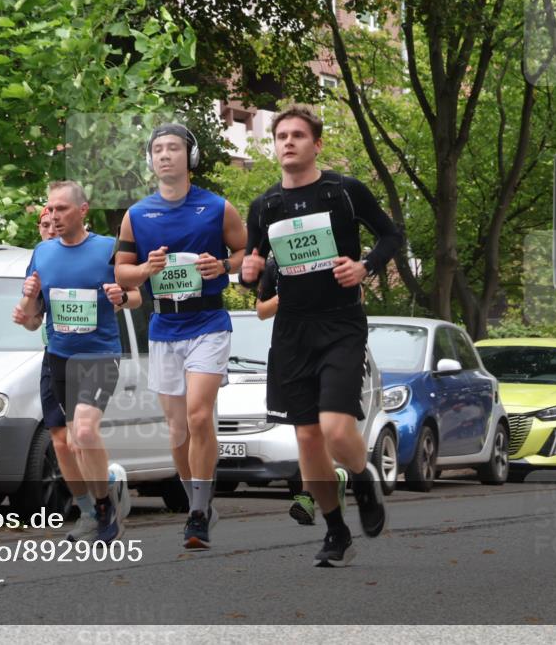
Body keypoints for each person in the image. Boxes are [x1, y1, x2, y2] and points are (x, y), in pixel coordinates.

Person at [240, 104, 402, 567]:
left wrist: (364, 266)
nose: (287, 142)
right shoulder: (265, 205)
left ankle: (363, 475)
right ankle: (336, 533)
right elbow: (254, 269)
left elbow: (392, 236)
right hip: (291, 331)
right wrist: (249, 272)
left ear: (317, 144)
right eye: (281, 136)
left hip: (341, 324)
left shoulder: (343, 191)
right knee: (307, 439)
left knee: (334, 428)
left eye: (297, 135)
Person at [114, 123, 247, 549]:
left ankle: (195, 515)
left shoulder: (217, 207)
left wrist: (222, 267)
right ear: (149, 160)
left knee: (198, 414)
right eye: (158, 149)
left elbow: (247, 253)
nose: (165, 155)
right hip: (164, 326)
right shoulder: (136, 214)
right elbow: (122, 272)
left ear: (189, 157)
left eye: (174, 148)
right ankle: (200, 502)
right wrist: (146, 271)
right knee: (176, 431)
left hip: (208, 322)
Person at [14, 181, 141, 544]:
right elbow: (35, 319)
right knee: (68, 442)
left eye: (62, 209)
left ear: (82, 210)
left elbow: (135, 298)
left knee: (85, 431)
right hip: (59, 357)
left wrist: (122, 295)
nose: (54, 216)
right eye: (50, 210)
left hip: (100, 354)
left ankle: (103, 510)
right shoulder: (42, 252)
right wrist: (26, 308)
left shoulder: (106, 249)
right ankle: (95, 505)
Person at [256, 258, 352, 527]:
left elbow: (359, 292)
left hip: (327, 349)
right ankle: (330, 481)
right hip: (289, 353)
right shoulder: (274, 264)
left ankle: (308, 494)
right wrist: (283, 298)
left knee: (318, 427)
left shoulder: (328, 254)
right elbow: (261, 310)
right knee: (304, 430)